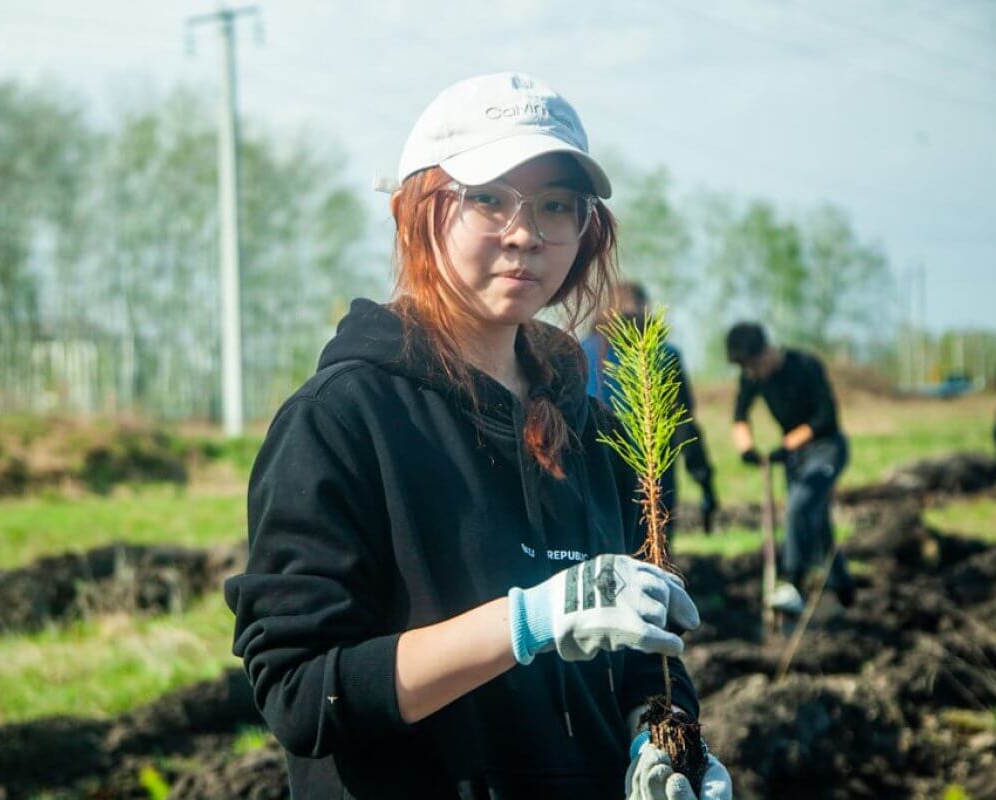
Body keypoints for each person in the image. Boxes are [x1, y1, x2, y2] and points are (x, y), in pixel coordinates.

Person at [225, 73, 731, 799]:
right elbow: (302, 693)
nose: (526, 233)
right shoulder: (342, 421)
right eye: (488, 198)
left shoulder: (596, 432)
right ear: (415, 213)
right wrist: (528, 621)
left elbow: (643, 652)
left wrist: (659, 744)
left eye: (556, 205)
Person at [725, 321, 855, 613]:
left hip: (826, 449)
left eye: (752, 365)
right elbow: (740, 415)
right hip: (796, 457)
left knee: (799, 507)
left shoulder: (805, 365)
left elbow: (826, 417)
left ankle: (793, 582)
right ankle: (843, 586)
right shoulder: (752, 376)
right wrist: (747, 448)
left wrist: (787, 445)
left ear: (765, 352)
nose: (750, 373)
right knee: (816, 522)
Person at [580, 283, 719, 539]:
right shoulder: (664, 353)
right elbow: (684, 425)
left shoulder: (579, 352)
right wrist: (706, 484)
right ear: (646, 308)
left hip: (595, 479)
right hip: (654, 479)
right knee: (654, 553)